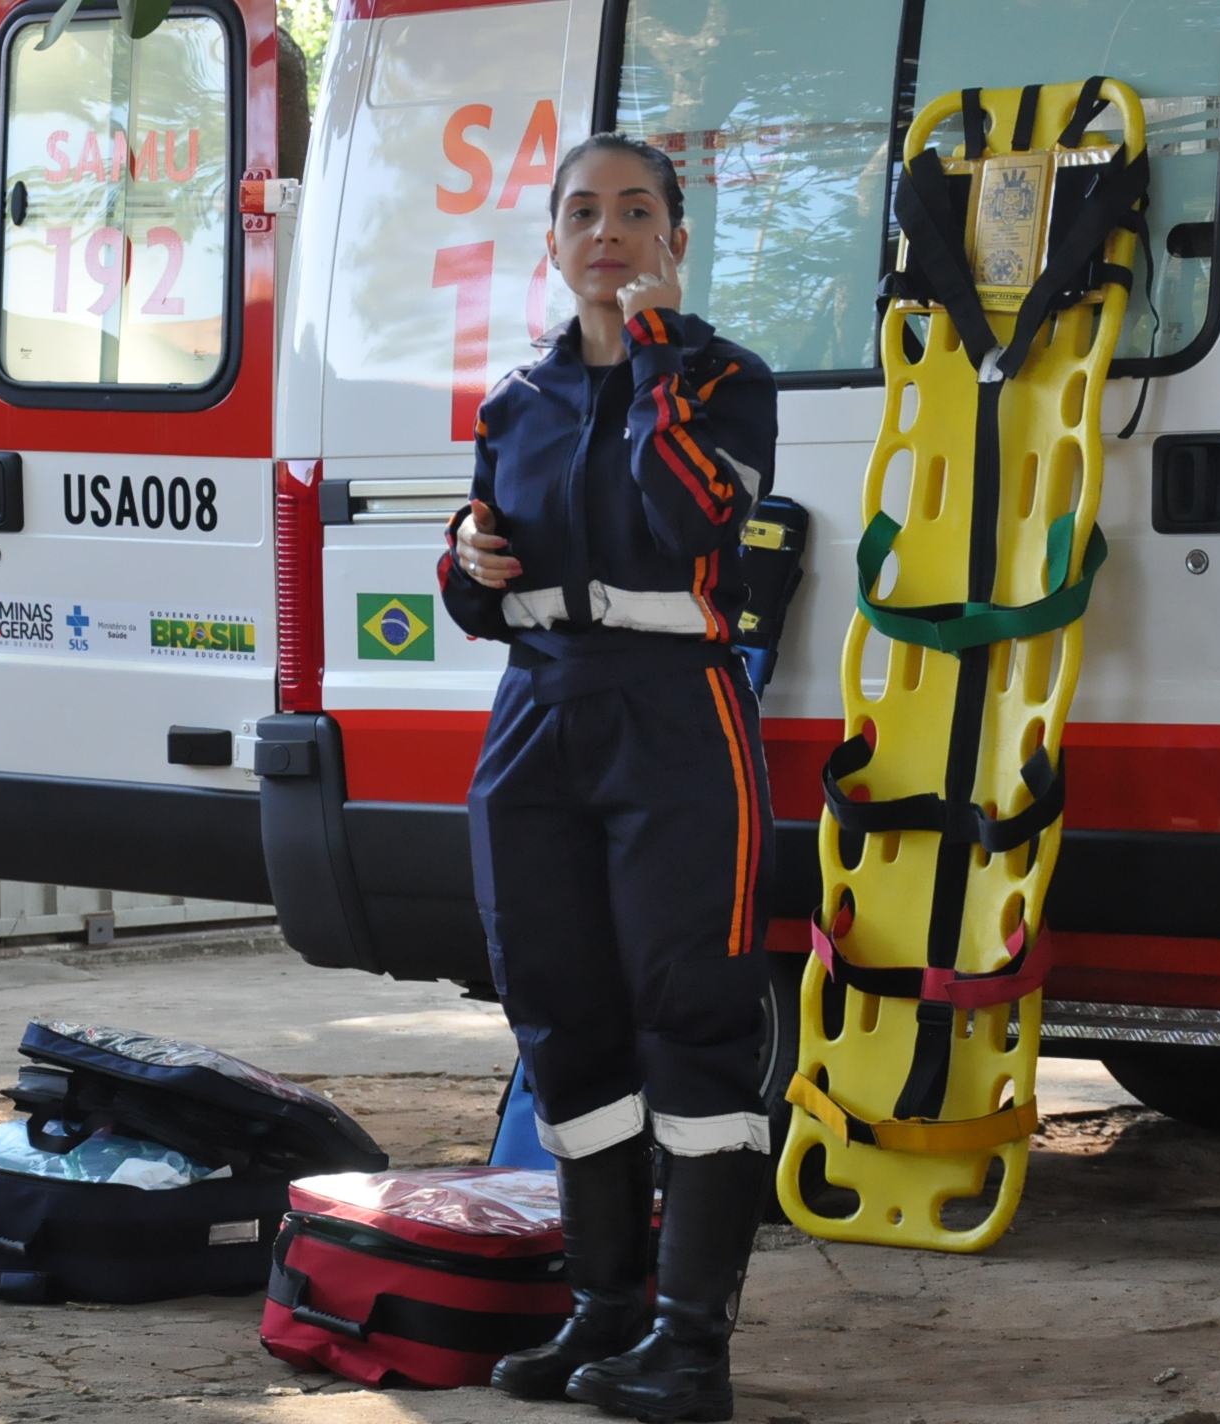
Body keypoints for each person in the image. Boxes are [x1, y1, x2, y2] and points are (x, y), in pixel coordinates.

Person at [439, 132, 778, 1422]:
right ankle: (606, 1312)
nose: (607, 233)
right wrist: (465, 562)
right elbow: (484, 586)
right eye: (581, 212)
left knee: (691, 1025)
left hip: (673, 717)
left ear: (674, 242)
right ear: (551, 242)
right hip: (535, 719)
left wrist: (652, 356)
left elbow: (691, 512)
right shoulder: (514, 403)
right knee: (562, 1023)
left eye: (636, 212)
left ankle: (693, 1347)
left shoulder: (724, 380)